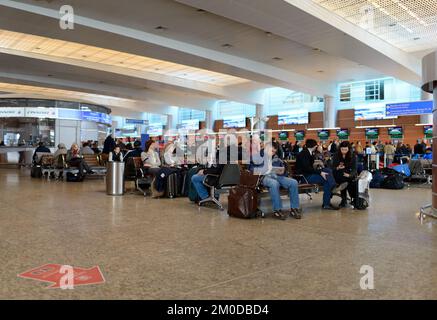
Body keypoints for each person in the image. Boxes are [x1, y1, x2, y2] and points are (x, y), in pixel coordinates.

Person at [253, 142, 301, 220]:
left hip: (277, 176)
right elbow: (251, 169)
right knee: (274, 183)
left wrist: (282, 172)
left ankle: (294, 208)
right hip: (263, 177)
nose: (273, 153)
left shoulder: (276, 157)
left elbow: (282, 169)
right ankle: (277, 210)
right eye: (271, 151)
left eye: (274, 151)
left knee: (293, 182)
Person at [295, 139, 344, 210]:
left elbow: (309, 167)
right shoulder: (304, 154)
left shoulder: (309, 153)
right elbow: (307, 169)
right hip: (305, 177)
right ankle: (328, 199)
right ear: (314, 146)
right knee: (327, 179)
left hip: (309, 174)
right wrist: (320, 172)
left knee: (328, 170)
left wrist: (318, 165)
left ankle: (332, 189)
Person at [331, 141, 357, 208]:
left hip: (348, 174)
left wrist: (349, 175)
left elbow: (354, 169)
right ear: (340, 148)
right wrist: (337, 167)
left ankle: (344, 199)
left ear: (349, 149)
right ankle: (352, 199)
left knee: (347, 181)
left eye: (346, 149)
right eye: (342, 149)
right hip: (338, 173)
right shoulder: (336, 155)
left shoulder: (353, 156)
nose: (344, 151)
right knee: (345, 180)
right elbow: (332, 167)